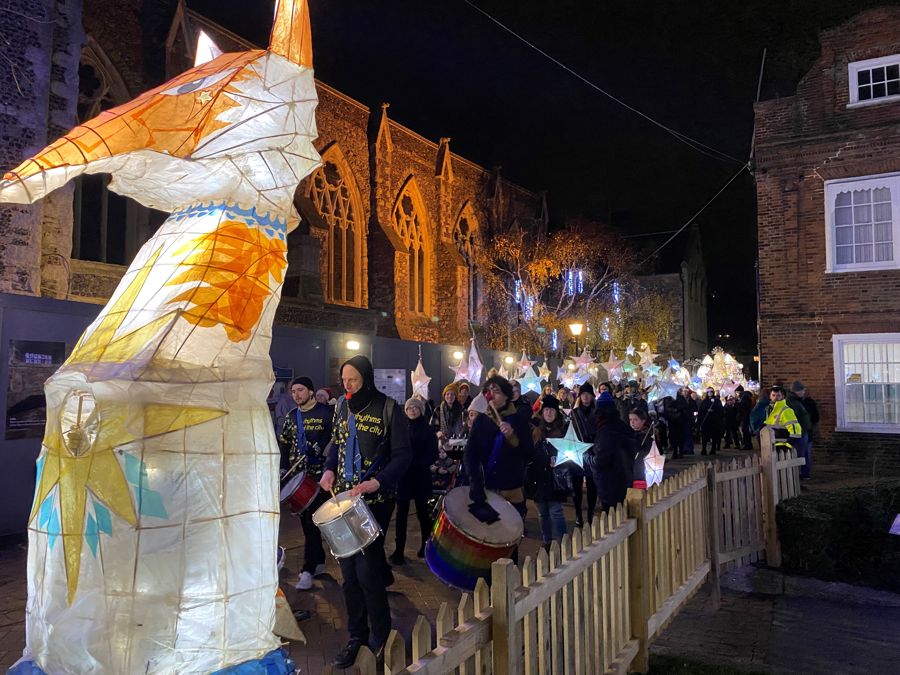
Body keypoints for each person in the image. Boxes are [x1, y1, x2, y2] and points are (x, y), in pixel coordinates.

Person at [319, 356, 412, 668]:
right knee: (348, 576)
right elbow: (337, 445)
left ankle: (381, 636)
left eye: (353, 380)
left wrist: (378, 481)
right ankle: (356, 635)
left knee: (368, 572)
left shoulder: (388, 408)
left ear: (367, 379)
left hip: (374, 501)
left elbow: (402, 456)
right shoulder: (341, 407)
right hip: (344, 499)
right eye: (344, 379)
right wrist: (329, 470)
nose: (347, 385)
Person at [277, 376, 333, 591]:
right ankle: (314, 564)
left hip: (322, 480)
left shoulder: (326, 414)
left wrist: (325, 454)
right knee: (309, 526)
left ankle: (309, 568)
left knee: (320, 524)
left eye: (300, 390)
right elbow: (284, 445)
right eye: (293, 391)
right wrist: (283, 468)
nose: (296, 394)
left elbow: (337, 440)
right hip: (299, 480)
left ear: (310, 391)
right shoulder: (292, 417)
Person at [463, 376, 533, 537]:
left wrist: (513, 435)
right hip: (485, 490)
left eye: (497, 391)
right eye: (489, 391)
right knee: (486, 537)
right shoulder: (481, 420)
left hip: (511, 490)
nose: (491, 396)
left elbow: (529, 453)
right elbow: (470, 453)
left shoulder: (518, 420)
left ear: (507, 395)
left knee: (508, 538)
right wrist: (474, 481)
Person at [390, 397, 439, 565]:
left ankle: (426, 547)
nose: (412, 411)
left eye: (415, 408)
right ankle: (399, 550)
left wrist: (417, 462)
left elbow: (433, 453)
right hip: (403, 476)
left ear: (421, 410)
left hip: (420, 475)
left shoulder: (427, 429)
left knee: (422, 513)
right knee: (401, 514)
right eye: (409, 408)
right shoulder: (400, 428)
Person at [526, 396, 569, 548]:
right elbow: (530, 451)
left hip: (555, 477)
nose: (549, 413)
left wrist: (560, 460)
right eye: (546, 410)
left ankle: (564, 542)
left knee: (556, 511)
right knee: (542, 512)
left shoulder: (563, 430)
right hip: (538, 476)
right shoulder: (536, 430)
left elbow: (570, 451)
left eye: (552, 410)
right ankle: (547, 541)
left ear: (556, 412)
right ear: (542, 412)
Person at [591, 392, 635, 511]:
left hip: (610, 483)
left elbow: (600, 460)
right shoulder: (621, 426)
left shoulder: (606, 431)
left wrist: (587, 457)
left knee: (613, 520)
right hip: (624, 479)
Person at [569, 382, 599, 528]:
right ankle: (578, 514)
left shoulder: (598, 413)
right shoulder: (574, 413)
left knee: (592, 486)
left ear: (592, 396)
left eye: (588, 394)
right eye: (583, 394)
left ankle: (590, 513)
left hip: (592, 453)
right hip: (577, 453)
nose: (586, 397)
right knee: (576, 486)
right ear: (580, 396)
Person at [791, 381, 818, 479]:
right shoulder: (798, 403)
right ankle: (804, 473)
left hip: (803, 431)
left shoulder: (802, 403)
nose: (804, 392)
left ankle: (804, 472)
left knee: (804, 452)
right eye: (802, 390)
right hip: (802, 431)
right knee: (804, 453)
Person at [762, 385, 801, 450]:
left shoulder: (786, 410)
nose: (775, 398)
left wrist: (789, 444)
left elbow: (795, 429)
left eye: (778, 395)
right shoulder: (769, 410)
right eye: (773, 395)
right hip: (771, 445)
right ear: (770, 396)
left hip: (782, 446)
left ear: (783, 396)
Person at [628, 408, 656, 488]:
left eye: (635, 420)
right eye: (630, 420)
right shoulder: (630, 434)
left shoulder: (648, 436)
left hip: (641, 473)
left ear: (643, 421)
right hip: (631, 472)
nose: (632, 422)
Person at [698, 387, 724, 456]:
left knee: (714, 436)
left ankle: (713, 449)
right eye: (708, 392)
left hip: (714, 421)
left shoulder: (717, 401)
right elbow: (701, 410)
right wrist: (706, 410)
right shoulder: (704, 401)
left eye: (711, 391)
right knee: (704, 436)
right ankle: (704, 449)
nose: (710, 393)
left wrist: (714, 411)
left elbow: (721, 410)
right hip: (706, 421)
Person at [735, 385, 754, 450]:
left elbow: (743, 407)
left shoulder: (744, 397)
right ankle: (748, 444)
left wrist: (737, 404)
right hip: (746, 416)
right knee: (745, 431)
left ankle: (747, 445)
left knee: (745, 431)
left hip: (745, 417)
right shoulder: (746, 396)